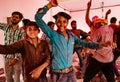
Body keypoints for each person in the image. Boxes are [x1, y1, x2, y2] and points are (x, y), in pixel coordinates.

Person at [35, 0, 111, 82]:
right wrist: (49, 5)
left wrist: (100, 45)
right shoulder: (53, 34)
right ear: (56, 23)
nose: (62, 24)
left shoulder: (71, 35)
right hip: (58, 74)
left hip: (71, 73)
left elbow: (84, 43)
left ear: (67, 23)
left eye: (64, 22)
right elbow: (37, 17)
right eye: (59, 21)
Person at [84, 0, 115, 82]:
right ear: (93, 22)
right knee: (89, 67)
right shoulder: (92, 27)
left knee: (103, 68)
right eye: (95, 21)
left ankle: (100, 75)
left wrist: (106, 15)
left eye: (98, 21)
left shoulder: (101, 29)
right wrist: (88, 8)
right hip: (94, 52)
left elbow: (105, 23)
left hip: (104, 54)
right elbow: (87, 18)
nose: (97, 23)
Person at [0, 11, 24, 82]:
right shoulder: (6, 27)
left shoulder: (21, 31)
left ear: (19, 20)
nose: (14, 18)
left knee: (17, 79)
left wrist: (16, 58)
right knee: (8, 78)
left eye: (16, 17)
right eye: (13, 16)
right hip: (7, 57)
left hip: (17, 58)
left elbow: (21, 46)